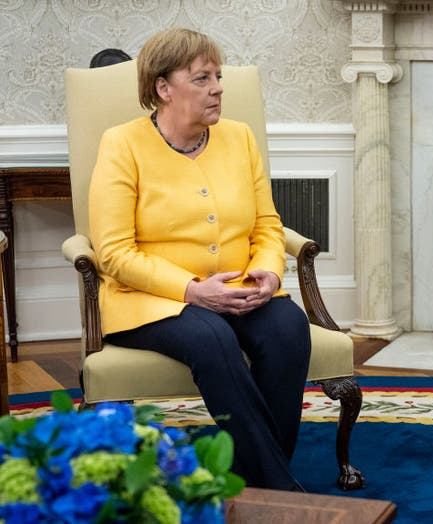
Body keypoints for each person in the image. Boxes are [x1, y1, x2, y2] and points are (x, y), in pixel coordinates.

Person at [88, 28, 311, 491]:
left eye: (219, 75)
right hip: (152, 299)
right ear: (163, 88)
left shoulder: (239, 138)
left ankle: (255, 487)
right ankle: (281, 493)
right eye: (202, 78)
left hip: (237, 286)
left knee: (288, 326)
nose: (218, 87)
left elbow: (267, 225)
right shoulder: (122, 144)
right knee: (210, 336)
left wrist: (269, 271)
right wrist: (192, 290)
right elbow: (112, 252)